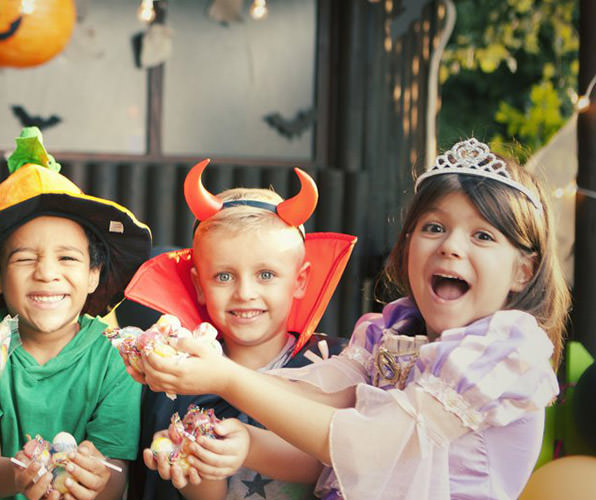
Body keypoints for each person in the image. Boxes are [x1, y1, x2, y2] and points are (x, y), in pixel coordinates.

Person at [136, 138, 570, 500]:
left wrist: (224, 377)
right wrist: (229, 429)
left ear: (522, 270)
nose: (451, 246)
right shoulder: (391, 332)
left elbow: (368, 446)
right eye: (433, 228)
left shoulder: (501, 354)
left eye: (482, 235)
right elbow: (321, 401)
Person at [0, 127, 152, 500]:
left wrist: (93, 481)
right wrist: (20, 476)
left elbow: (115, 482)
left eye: (67, 257)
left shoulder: (117, 358)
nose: (47, 273)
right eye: (24, 259)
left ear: (92, 275)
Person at [123, 159, 357, 500]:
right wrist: (192, 463)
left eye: (266, 275)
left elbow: (337, 454)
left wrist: (248, 445)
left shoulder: (332, 363)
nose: (245, 292)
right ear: (199, 285)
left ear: (300, 280)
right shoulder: (178, 376)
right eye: (223, 276)